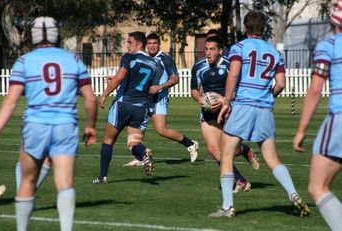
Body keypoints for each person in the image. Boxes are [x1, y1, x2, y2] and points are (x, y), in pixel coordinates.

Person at [0, 16, 97, 231]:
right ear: (57, 34)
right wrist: (91, 126)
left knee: (27, 182)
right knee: (65, 183)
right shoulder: (73, 60)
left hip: (34, 125)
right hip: (65, 126)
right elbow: (90, 98)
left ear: (33, 35)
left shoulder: (24, 61)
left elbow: (11, 101)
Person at [210, 11, 310, 218]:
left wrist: (227, 101)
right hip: (264, 109)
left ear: (245, 28)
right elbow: (281, 83)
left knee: (226, 154)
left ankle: (228, 207)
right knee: (272, 159)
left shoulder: (239, 47)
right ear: (263, 29)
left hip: (243, 105)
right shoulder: (274, 52)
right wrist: (267, 96)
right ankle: (293, 194)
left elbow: (235, 73)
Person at [293, 1, 342, 229]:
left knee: (317, 187)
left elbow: (315, 90)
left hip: (339, 119)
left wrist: (301, 130)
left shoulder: (329, 46)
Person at [191, 36, 259, 193]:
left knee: (230, 149)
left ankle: (244, 150)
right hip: (207, 114)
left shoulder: (230, 65)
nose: (207, 53)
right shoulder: (198, 66)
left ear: (220, 51)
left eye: (212, 49)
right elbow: (194, 89)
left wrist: (224, 99)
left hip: (229, 110)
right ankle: (241, 181)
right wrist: (200, 99)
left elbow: (242, 89)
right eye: (206, 49)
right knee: (214, 150)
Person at [92, 31, 161, 184]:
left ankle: (102, 176)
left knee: (108, 140)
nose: (127, 45)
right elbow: (145, 85)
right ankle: (144, 153)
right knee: (133, 144)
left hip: (123, 104)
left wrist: (104, 95)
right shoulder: (154, 64)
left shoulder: (129, 57)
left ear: (139, 44)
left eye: (129, 42)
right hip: (140, 108)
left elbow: (120, 77)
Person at [124, 33, 199, 167]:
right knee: (136, 129)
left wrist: (160, 87)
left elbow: (175, 78)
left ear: (159, 44)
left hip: (159, 99)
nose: (152, 46)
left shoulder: (165, 59)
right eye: (150, 43)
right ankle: (141, 157)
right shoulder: (144, 58)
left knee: (161, 130)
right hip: (143, 99)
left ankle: (191, 144)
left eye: (155, 43)